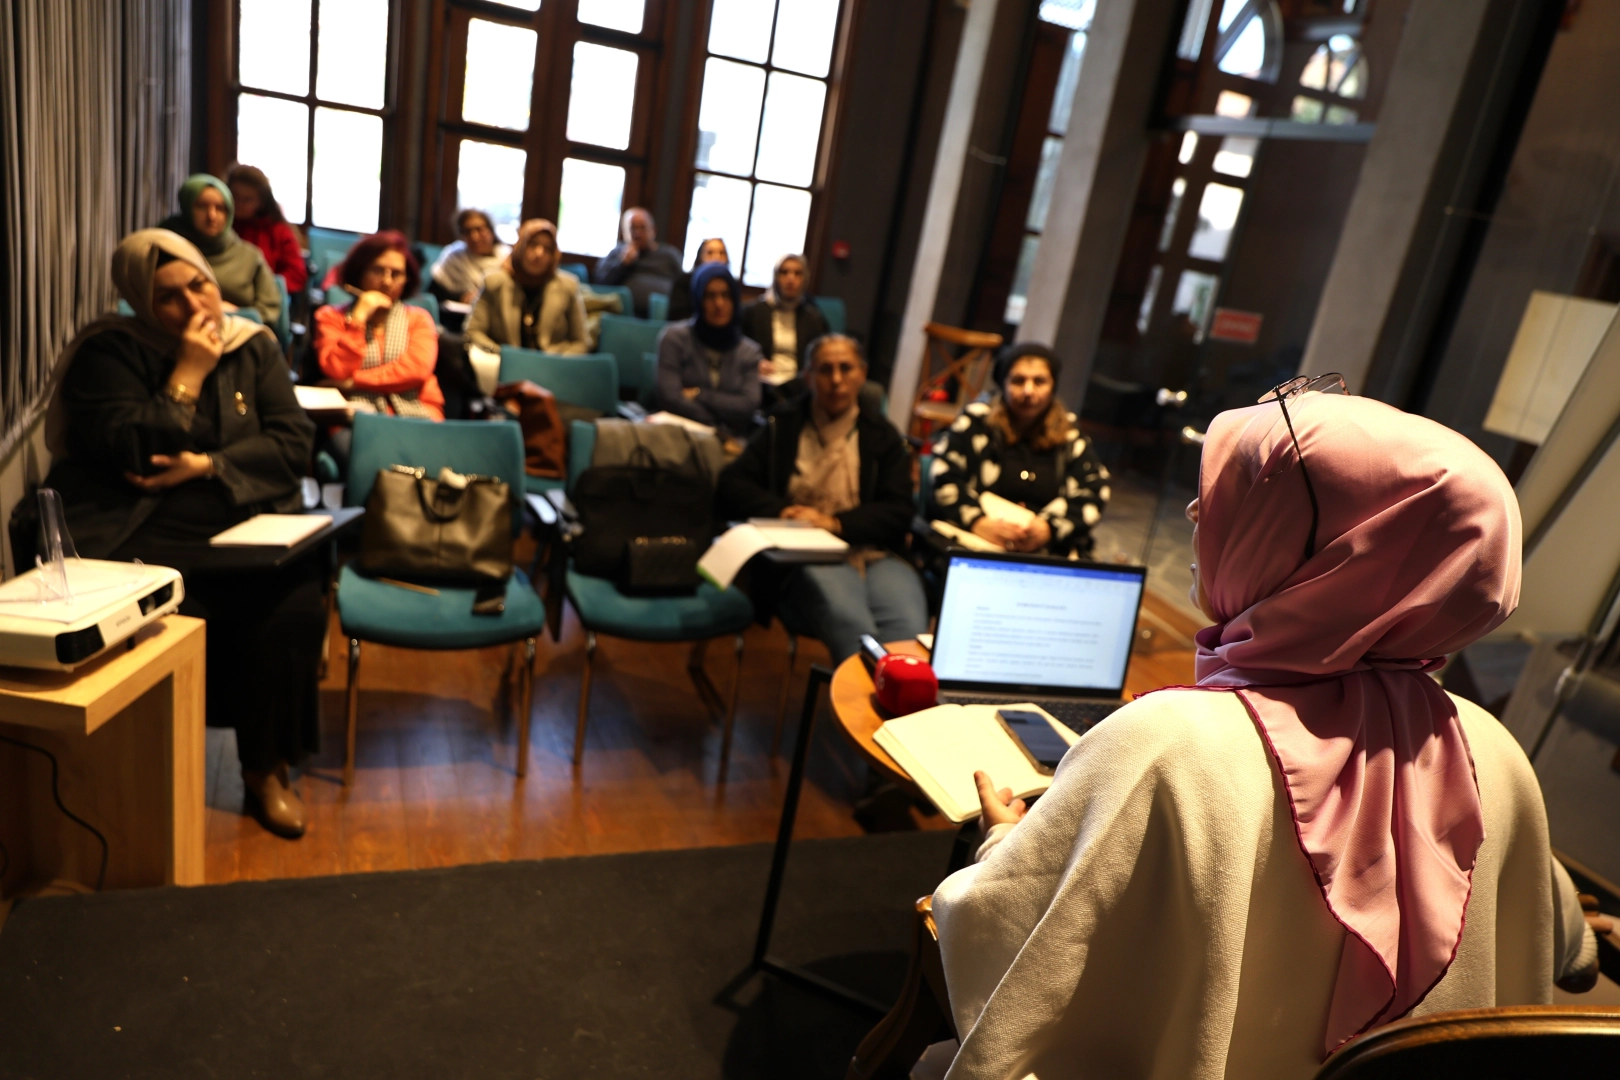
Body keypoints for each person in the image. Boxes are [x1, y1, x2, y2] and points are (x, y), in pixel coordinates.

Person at [926, 386, 1603, 1080]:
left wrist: (1006, 841)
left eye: (1241, 493)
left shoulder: (1164, 746)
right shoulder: (1495, 752)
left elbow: (997, 942)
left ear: (1325, 551)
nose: (1195, 512)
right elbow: (1566, 950)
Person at [42, 229, 320, 840]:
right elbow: (136, 450)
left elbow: (293, 443)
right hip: (138, 528)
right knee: (167, 611)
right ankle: (140, 773)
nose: (194, 305)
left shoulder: (252, 345)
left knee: (295, 602)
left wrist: (208, 465)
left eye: (199, 284)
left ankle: (264, 769)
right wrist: (189, 372)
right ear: (140, 301)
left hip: (238, 520)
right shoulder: (108, 351)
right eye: (168, 296)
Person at [717, 334, 927, 663]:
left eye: (846, 368)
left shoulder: (883, 435)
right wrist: (783, 511)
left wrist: (835, 522)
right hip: (807, 556)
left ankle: (895, 696)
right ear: (808, 377)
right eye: (825, 370)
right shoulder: (782, 426)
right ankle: (859, 697)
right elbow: (732, 483)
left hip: (878, 553)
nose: (836, 379)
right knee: (855, 628)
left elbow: (899, 509)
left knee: (907, 635)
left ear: (862, 374)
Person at [926, 343, 1110, 558]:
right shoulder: (976, 421)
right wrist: (977, 521)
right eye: (1018, 380)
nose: (1028, 391)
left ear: (1053, 386)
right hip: (978, 546)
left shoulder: (1069, 433)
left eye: (1039, 381)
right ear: (1003, 384)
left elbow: (1095, 489)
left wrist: (1049, 528)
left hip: (1043, 552)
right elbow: (944, 476)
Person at [313, 231, 444, 420]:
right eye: (378, 270)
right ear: (359, 272)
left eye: (396, 274)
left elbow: (415, 371)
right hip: (353, 415)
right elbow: (337, 370)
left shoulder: (419, 319)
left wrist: (352, 383)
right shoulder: (330, 316)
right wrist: (358, 318)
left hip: (419, 411)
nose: (387, 281)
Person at [655, 262, 762, 437]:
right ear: (698, 299)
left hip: (732, 442)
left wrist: (699, 394)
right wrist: (715, 427)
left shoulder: (749, 352)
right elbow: (671, 397)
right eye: (710, 296)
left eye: (726, 295)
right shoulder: (674, 339)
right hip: (679, 434)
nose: (719, 303)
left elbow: (748, 405)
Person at [159, 174, 282, 326]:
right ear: (187, 208)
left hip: (240, 332)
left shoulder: (249, 256)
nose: (212, 216)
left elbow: (270, 310)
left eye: (220, 208)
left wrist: (234, 315)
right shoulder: (167, 249)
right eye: (202, 206)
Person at [464, 218, 588, 355]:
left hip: (552, 365)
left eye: (547, 248)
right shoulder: (494, 282)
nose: (539, 253)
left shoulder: (568, 286)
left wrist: (554, 362)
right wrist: (506, 356)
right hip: (504, 364)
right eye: (532, 244)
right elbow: (473, 331)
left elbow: (581, 342)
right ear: (521, 246)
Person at [741, 253, 828, 387]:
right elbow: (737, 346)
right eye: (784, 272)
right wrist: (755, 362)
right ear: (775, 277)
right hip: (761, 382)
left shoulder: (813, 318)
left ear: (805, 280)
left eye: (797, 273)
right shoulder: (752, 312)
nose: (790, 278)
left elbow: (821, 356)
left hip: (799, 385)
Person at [225, 164, 307, 295]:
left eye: (247, 199)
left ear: (261, 203)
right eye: (235, 196)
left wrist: (266, 286)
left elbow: (296, 274)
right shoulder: (220, 225)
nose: (239, 203)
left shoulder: (278, 231)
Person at [594, 207, 683, 318]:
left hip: (664, 316)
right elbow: (600, 283)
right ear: (624, 232)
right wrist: (623, 264)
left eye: (642, 227)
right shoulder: (616, 254)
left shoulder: (669, 255)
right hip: (622, 315)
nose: (637, 233)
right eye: (632, 228)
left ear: (653, 230)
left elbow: (682, 287)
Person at [430, 208, 510, 304]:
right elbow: (434, 295)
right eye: (467, 232)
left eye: (479, 229)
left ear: (490, 230)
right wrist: (461, 298)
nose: (474, 237)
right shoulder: (454, 258)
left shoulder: (507, 258)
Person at [668, 237, 730, 322]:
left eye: (721, 253)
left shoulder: (731, 285)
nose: (716, 258)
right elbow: (677, 314)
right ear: (700, 256)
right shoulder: (684, 281)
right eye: (710, 253)